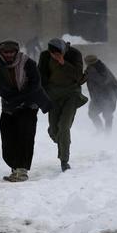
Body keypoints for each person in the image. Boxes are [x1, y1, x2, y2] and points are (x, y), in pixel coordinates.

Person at [0, 40, 51, 182]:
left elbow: (35, 85)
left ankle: (22, 170)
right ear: (0, 52)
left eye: (12, 52)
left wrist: (17, 99)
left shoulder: (28, 63)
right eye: (6, 52)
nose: (9, 55)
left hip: (29, 103)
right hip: (8, 105)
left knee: (25, 137)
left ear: (16, 51)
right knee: (8, 138)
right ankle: (14, 167)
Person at [38, 38, 87, 172]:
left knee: (64, 126)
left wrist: (63, 62)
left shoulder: (74, 54)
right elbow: (41, 76)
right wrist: (42, 95)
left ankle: (64, 161)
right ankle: (58, 137)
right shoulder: (45, 56)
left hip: (71, 94)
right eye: (53, 53)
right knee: (55, 131)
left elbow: (78, 75)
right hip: (53, 95)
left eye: (58, 53)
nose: (55, 55)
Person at [84, 55, 117, 133]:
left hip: (106, 97)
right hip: (102, 97)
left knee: (106, 115)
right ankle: (102, 131)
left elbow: (102, 81)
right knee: (95, 114)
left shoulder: (94, 70)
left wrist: (88, 74)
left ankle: (106, 134)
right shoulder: (101, 67)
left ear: (88, 63)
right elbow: (113, 79)